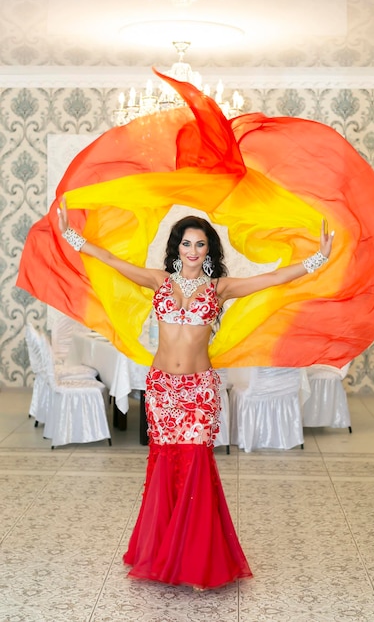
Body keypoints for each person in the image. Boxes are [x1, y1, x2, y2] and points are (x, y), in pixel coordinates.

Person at [57, 198, 334, 590]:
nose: (192, 251)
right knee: (165, 466)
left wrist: (317, 259)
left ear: (209, 250)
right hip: (162, 388)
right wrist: (72, 236)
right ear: (177, 248)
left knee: (196, 468)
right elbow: (113, 262)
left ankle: (198, 559)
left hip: (199, 390)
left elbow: (272, 280)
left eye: (200, 245)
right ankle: (162, 551)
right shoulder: (159, 281)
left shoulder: (220, 288)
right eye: (186, 244)